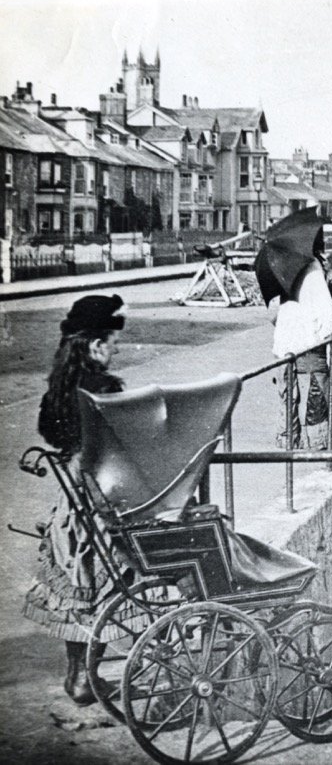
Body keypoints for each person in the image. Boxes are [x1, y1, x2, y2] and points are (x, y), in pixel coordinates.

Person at [25, 295, 128, 705]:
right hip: (101, 495)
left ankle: (77, 676)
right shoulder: (104, 389)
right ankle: (86, 678)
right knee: (108, 581)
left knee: (78, 585)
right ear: (96, 345)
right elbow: (123, 446)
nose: (116, 350)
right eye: (113, 343)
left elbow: (50, 433)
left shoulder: (59, 386)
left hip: (73, 498)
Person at [272, 237, 332, 450]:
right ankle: (316, 440)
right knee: (316, 393)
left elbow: (275, 311)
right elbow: (325, 310)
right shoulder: (313, 268)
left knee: (288, 394)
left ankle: (288, 437)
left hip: (285, 342)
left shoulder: (284, 267)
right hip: (309, 341)